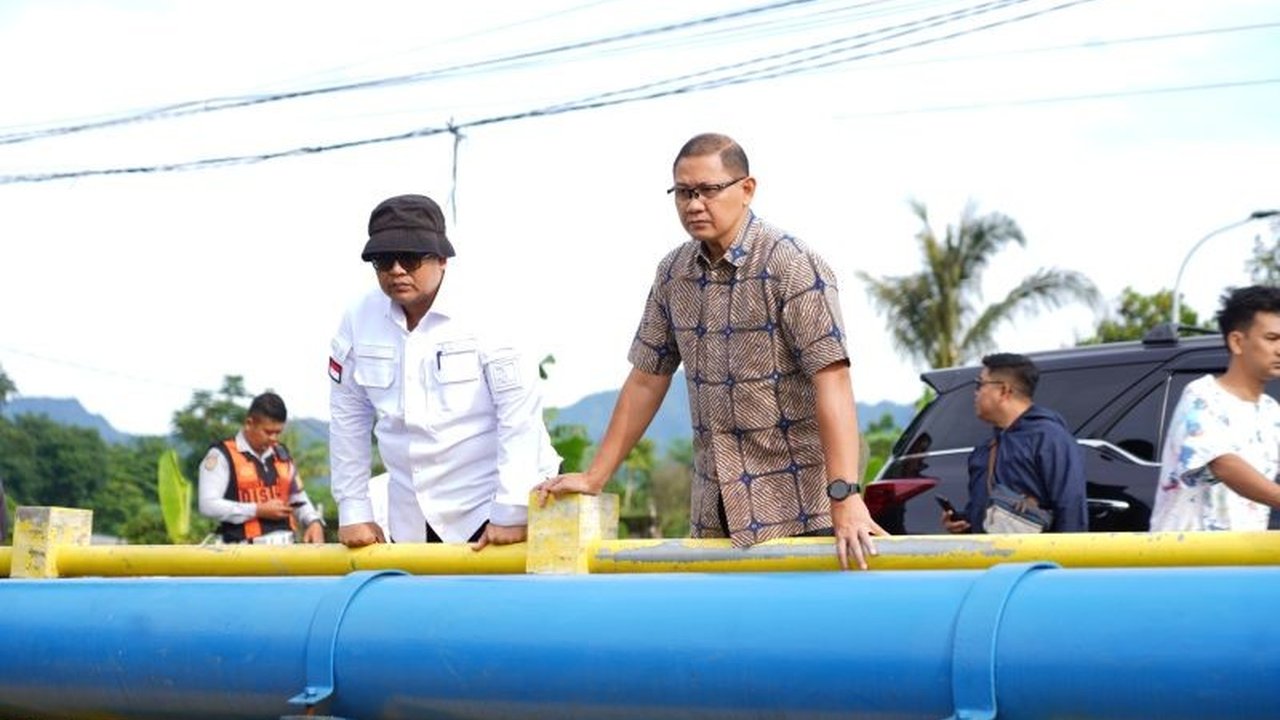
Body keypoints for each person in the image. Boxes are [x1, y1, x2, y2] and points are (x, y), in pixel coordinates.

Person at [535, 132, 884, 570]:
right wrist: (594, 476)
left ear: (747, 189)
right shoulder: (673, 273)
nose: (694, 204)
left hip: (801, 509)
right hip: (715, 511)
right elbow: (647, 377)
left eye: (708, 190)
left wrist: (846, 495)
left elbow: (831, 377)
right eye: (683, 192)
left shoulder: (790, 264)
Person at [328, 193, 561, 549]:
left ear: (441, 259)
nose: (396, 270)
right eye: (382, 260)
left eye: (409, 258)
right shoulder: (359, 317)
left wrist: (512, 510)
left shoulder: (491, 311)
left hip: (493, 502)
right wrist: (353, 509)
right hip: (410, 515)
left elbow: (519, 416)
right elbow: (348, 415)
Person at [1150, 285, 1280, 531]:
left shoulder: (1271, 412)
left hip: (1241, 562)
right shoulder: (1201, 396)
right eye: (1272, 338)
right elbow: (1224, 465)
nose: (1279, 349)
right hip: (1188, 561)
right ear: (1237, 342)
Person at [942, 353, 1088, 534]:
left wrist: (1067, 559)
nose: (976, 392)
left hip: (1036, 560)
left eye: (980, 384)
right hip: (990, 559)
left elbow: (1071, 509)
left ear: (1004, 390)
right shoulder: (984, 450)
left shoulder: (1050, 439)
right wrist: (963, 524)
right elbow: (986, 516)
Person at [197, 392, 325, 544]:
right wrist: (257, 510)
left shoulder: (281, 454)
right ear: (249, 423)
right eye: (268, 432)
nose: (273, 439)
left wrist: (313, 521)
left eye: (278, 433)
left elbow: (298, 497)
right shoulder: (221, 456)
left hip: (287, 552)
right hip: (243, 555)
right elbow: (208, 505)